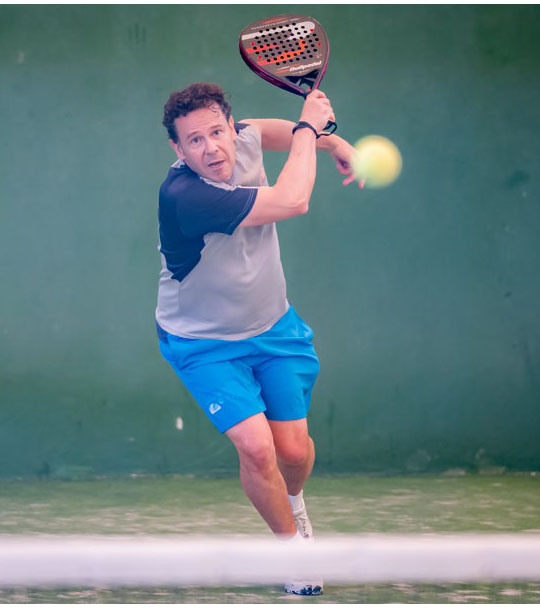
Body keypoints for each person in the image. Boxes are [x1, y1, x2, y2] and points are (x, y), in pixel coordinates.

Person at [155, 82, 359, 596]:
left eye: (216, 132)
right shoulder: (186, 196)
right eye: (194, 140)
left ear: (230, 126)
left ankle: (295, 504)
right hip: (203, 343)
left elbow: (271, 132)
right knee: (255, 446)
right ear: (178, 149)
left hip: (273, 328)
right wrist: (311, 127)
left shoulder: (242, 137)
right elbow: (293, 200)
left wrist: (332, 142)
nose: (211, 148)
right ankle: (292, 553)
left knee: (293, 451)